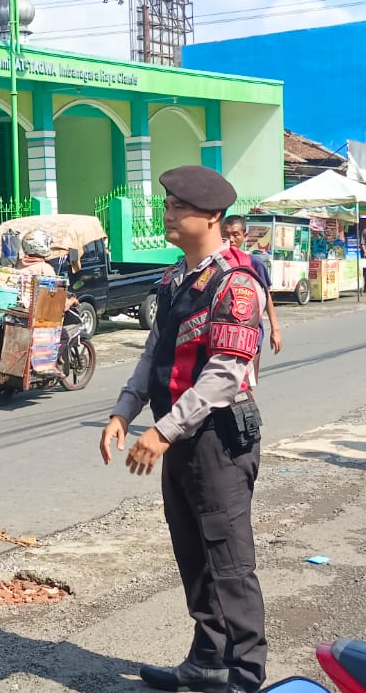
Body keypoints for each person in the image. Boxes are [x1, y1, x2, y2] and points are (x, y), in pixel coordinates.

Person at [100, 165, 268, 693]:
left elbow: (225, 373)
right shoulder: (177, 278)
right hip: (180, 436)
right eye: (168, 206)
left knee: (229, 560)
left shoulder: (236, 284)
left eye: (179, 209)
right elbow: (155, 352)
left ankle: (245, 676)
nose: (168, 216)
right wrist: (124, 411)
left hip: (218, 438)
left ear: (212, 216)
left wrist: (162, 431)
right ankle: (207, 660)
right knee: (193, 552)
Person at [222, 214, 284, 355]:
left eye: (235, 235)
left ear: (245, 236)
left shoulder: (254, 263)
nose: (230, 239)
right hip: (222, 335)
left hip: (250, 334)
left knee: (251, 370)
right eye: (225, 234)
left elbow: (266, 296)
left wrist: (275, 330)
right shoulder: (216, 262)